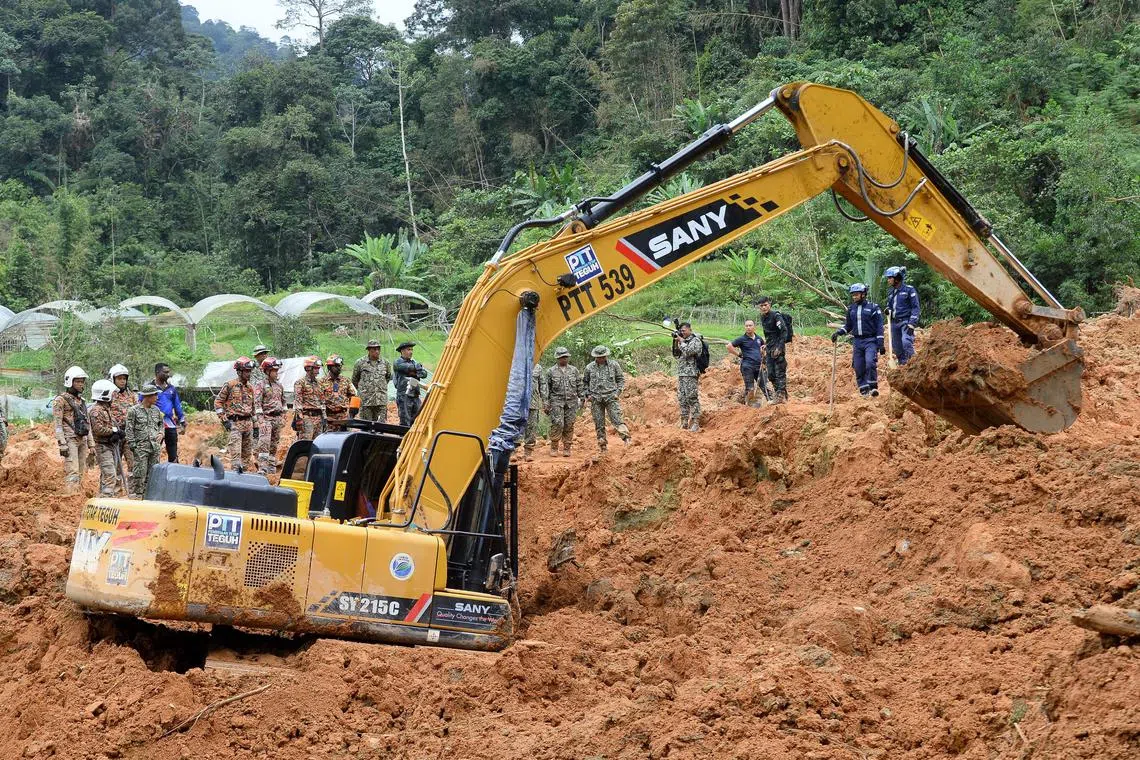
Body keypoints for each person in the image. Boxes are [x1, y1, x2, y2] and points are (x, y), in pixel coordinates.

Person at [832, 283, 885, 397]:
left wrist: (880, 343)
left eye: (856, 295)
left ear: (863, 294)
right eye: (853, 295)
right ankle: (863, 389)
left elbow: (879, 326)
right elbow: (848, 326)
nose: (854, 297)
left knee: (870, 362)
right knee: (858, 366)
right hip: (857, 342)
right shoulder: (851, 309)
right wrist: (838, 332)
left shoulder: (873, 308)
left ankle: (873, 387)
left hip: (870, 340)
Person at [53, 366, 94, 495]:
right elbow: (57, 423)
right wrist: (62, 443)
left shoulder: (82, 402)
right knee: (73, 471)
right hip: (70, 439)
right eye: (77, 381)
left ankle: (78, 497)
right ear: (70, 382)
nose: (81, 384)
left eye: (82, 381)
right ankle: (71, 496)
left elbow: (88, 423)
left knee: (81, 471)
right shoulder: (60, 400)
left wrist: (91, 444)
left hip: (83, 439)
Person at [582, 345, 631, 453]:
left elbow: (621, 380)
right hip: (596, 399)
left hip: (611, 397)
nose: (601, 359)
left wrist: (618, 392)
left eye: (603, 356)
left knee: (617, 419)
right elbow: (585, 382)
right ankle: (602, 445)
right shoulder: (589, 367)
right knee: (599, 423)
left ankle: (627, 440)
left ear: (606, 356)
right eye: (599, 357)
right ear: (595, 357)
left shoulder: (614, 365)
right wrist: (587, 394)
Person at [215, 357, 257, 472]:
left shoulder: (250, 388)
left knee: (247, 456)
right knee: (236, 456)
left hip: (248, 424)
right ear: (239, 371)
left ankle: (244, 479)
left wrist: (256, 425)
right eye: (246, 371)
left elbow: (253, 408)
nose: (249, 374)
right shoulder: (230, 385)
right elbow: (218, 402)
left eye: (250, 371)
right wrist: (224, 420)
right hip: (235, 424)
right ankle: (235, 479)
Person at [127, 384, 164, 498]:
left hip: (154, 447)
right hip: (141, 447)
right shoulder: (134, 411)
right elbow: (129, 429)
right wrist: (133, 445)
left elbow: (161, 425)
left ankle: (150, 495)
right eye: (155, 395)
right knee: (139, 472)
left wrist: (161, 433)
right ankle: (138, 495)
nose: (157, 398)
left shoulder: (156, 410)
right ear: (148, 397)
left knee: (153, 472)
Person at [88, 379, 124, 497]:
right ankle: (106, 498)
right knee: (110, 474)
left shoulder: (106, 409)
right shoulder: (96, 410)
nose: (114, 396)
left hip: (109, 445)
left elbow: (110, 425)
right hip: (102, 446)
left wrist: (118, 432)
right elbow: (98, 429)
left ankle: (104, 497)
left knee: (107, 474)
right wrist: (113, 432)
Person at [544, 347, 581, 457]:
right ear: (557, 358)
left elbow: (579, 385)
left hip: (572, 402)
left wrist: (582, 398)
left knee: (569, 424)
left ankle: (567, 447)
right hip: (556, 401)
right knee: (557, 423)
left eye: (565, 357)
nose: (564, 359)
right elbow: (547, 388)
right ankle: (554, 447)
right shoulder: (551, 371)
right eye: (561, 357)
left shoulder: (574, 370)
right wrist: (546, 403)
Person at [255, 357, 285, 475]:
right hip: (266, 418)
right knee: (264, 444)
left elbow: (283, 402)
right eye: (275, 371)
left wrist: (283, 416)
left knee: (273, 445)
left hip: (277, 419)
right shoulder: (260, 385)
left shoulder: (279, 386)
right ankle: (262, 469)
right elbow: (257, 403)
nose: (277, 373)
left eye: (277, 370)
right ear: (267, 371)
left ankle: (271, 470)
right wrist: (261, 421)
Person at [884, 266, 920, 365]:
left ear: (897, 277)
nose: (888, 280)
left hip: (906, 322)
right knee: (897, 347)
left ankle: (915, 364)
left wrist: (912, 323)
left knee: (906, 342)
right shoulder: (891, 292)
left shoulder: (909, 290)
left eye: (890, 277)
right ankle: (903, 366)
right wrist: (887, 310)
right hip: (894, 323)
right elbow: (889, 306)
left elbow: (915, 308)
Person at [757, 296, 790, 403]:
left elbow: (784, 331)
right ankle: (781, 394)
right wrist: (766, 345)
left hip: (778, 348)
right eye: (761, 306)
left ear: (769, 305)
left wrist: (780, 347)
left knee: (780, 372)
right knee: (770, 374)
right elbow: (770, 334)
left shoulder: (776, 316)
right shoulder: (763, 317)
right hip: (770, 348)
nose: (764, 307)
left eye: (765, 305)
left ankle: (780, 396)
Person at [672, 322, 704, 431]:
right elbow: (676, 354)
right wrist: (676, 342)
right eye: (681, 331)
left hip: (691, 373)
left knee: (692, 397)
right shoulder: (683, 341)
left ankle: (695, 422)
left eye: (684, 331)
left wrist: (682, 341)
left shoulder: (696, 341)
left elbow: (689, 352)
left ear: (690, 329)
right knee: (682, 398)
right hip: (682, 373)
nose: (682, 333)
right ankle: (684, 422)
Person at [107, 364, 136, 483]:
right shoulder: (108, 395)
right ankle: (115, 490)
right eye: (119, 378)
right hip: (115, 435)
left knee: (133, 463)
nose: (122, 381)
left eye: (124, 378)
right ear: (113, 379)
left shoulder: (131, 395)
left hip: (129, 435)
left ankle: (133, 490)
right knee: (115, 465)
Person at [352, 340, 392, 422]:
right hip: (366, 401)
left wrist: (379, 387)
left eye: (378, 349)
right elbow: (355, 379)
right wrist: (364, 390)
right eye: (374, 349)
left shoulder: (385, 363)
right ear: (369, 350)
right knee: (366, 426)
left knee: (381, 426)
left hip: (381, 400)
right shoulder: (360, 363)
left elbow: (387, 377)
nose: (377, 351)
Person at [728, 319, 766, 406]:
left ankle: (769, 403)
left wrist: (764, 359)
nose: (748, 327)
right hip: (747, 366)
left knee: (764, 387)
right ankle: (747, 406)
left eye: (750, 325)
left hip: (758, 366)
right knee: (750, 388)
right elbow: (729, 346)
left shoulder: (759, 339)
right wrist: (738, 354)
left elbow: (763, 349)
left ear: (754, 327)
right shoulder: (742, 339)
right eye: (746, 326)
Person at [153, 363, 185, 463]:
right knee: (153, 453)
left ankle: (174, 475)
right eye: (165, 372)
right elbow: (141, 404)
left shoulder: (172, 389)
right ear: (157, 372)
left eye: (169, 372)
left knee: (173, 452)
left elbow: (177, 406)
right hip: (154, 425)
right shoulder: (149, 388)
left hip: (169, 424)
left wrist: (182, 419)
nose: (168, 374)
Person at [394, 342, 429, 426]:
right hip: (404, 396)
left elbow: (424, 374)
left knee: (418, 420)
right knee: (405, 422)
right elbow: (409, 368)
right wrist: (416, 370)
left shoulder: (414, 362)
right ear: (402, 351)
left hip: (415, 395)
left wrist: (414, 371)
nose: (411, 352)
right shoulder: (398, 362)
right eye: (408, 349)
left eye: (412, 350)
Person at [320, 355, 357, 432]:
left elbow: (353, 397)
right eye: (336, 366)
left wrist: (352, 414)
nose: (339, 367)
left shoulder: (346, 381)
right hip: (329, 419)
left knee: (346, 441)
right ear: (329, 367)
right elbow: (318, 400)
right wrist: (323, 417)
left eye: (340, 365)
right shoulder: (321, 382)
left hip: (344, 418)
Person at [293, 356, 324, 440]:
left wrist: (324, 417)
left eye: (318, 368)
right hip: (307, 417)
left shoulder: (320, 383)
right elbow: (298, 401)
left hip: (319, 418)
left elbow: (322, 401)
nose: (318, 371)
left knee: (318, 443)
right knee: (305, 443)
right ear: (308, 368)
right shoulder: (300, 383)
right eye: (315, 368)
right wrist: (299, 418)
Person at [522, 362, 547, 461]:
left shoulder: (538, 367)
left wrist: (545, 401)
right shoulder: (516, 363)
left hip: (533, 403)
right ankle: (513, 452)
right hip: (517, 403)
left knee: (532, 427)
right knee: (514, 425)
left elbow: (543, 386)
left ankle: (528, 452)